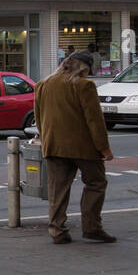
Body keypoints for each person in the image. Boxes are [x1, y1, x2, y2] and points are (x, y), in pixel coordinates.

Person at [33, 49, 116, 244]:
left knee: (57, 189)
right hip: (83, 147)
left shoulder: (43, 85)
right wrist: (104, 148)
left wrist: (46, 139)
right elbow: (94, 121)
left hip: (53, 145)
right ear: (84, 68)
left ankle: (57, 231)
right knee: (96, 183)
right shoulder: (84, 85)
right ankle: (92, 226)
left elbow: (39, 118)